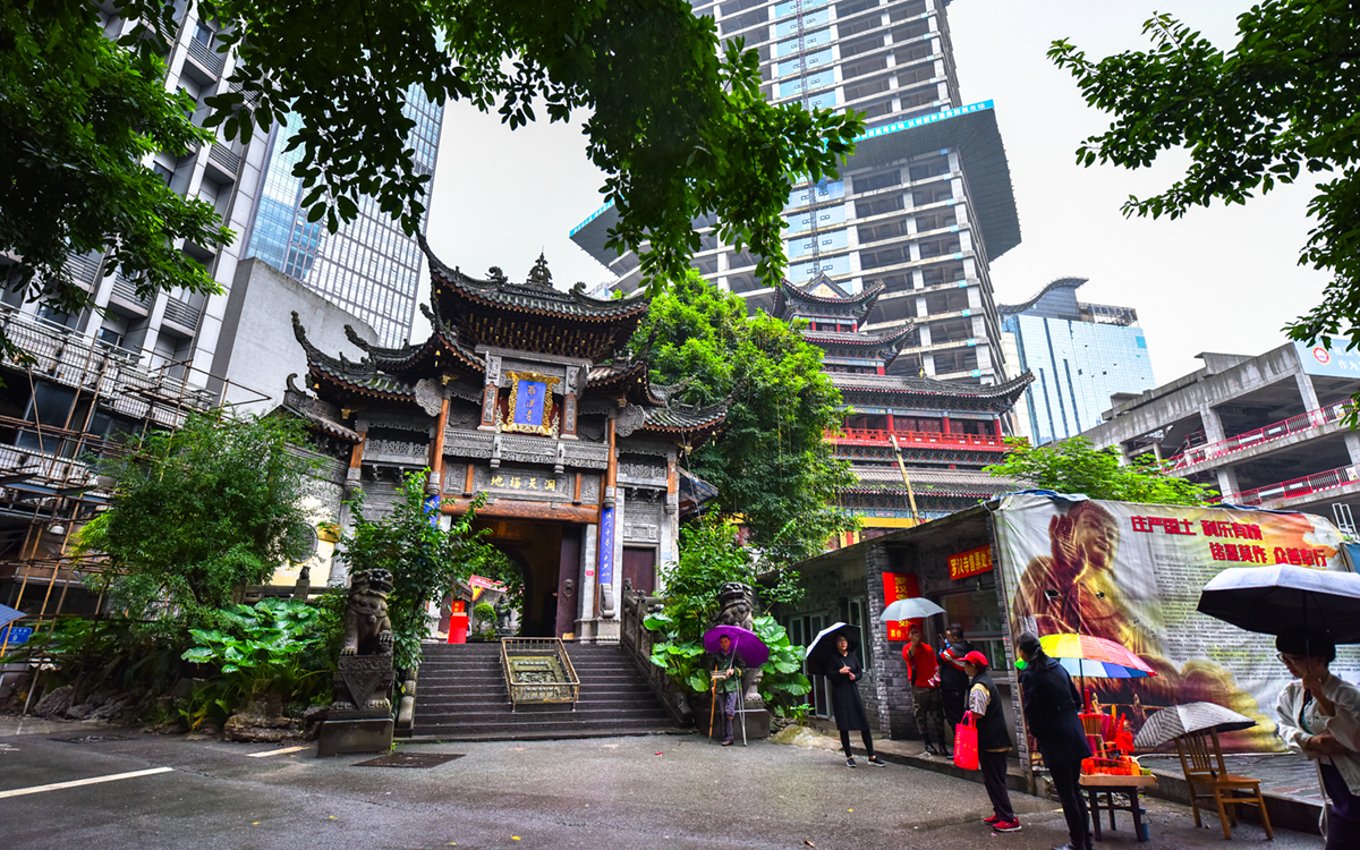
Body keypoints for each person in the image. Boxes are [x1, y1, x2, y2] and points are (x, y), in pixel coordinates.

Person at [1274, 629, 1360, 849]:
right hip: (1334, 788)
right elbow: (1284, 729)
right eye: (1284, 658)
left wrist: (1322, 697)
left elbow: (1355, 740)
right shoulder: (1291, 693)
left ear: (1319, 658)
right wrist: (1312, 742)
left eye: (1294, 659)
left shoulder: (1347, 694)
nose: (1288, 665)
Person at [1017, 632, 1092, 850]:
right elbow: (1076, 700)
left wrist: (1040, 736)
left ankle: (1077, 843)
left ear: (1023, 651)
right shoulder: (1059, 668)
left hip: (1055, 738)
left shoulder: (1031, 674)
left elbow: (1033, 713)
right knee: (1075, 790)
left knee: (1067, 794)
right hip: (1074, 734)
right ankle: (1085, 841)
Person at [963, 649, 1021, 833]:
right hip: (993, 739)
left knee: (995, 779)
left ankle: (1008, 817)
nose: (964, 667)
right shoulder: (985, 681)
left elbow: (978, 713)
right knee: (991, 778)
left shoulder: (979, 686)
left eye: (966, 664)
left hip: (992, 741)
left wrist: (967, 714)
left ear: (973, 666)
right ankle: (999, 812)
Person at [829, 634, 887, 768]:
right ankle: (849, 756)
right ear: (836, 644)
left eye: (844, 640)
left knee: (863, 723)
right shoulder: (833, 658)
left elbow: (860, 672)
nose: (843, 643)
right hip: (840, 694)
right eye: (840, 640)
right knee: (844, 725)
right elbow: (829, 675)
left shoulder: (852, 656)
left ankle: (871, 755)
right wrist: (840, 671)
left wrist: (854, 676)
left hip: (853, 692)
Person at [903, 623, 947, 756]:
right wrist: (914, 644)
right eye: (913, 633)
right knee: (921, 716)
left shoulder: (928, 648)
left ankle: (942, 745)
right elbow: (909, 657)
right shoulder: (907, 648)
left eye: (918, 633)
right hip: (919, 687)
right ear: (909, 635)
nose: (916, 635)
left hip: (932, 686)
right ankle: (927, 743)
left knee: (938, 716)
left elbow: (934, 664)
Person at [938, 623, 974, 734]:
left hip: (952, 687)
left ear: (955, 638)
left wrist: (944, 648)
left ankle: (960, 743)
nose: (946, 639)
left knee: (955, 718)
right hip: (960, 685)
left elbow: (940, 659)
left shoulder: (959, 648)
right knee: (959, 715)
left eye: (948, 637)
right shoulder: (967, 646)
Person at [711, 634, 743, 747]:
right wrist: (712, 685)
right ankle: (726, 736)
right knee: (722, 712)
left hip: (732, 686)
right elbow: (712, 671)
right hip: (720, 685)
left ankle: (729, 736)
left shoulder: (735, 654)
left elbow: (742, 667)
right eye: (722, 642)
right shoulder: (717, 656)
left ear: (729, 642)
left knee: (729, 710)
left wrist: (733, 670)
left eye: (726, 641)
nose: (724, 644)